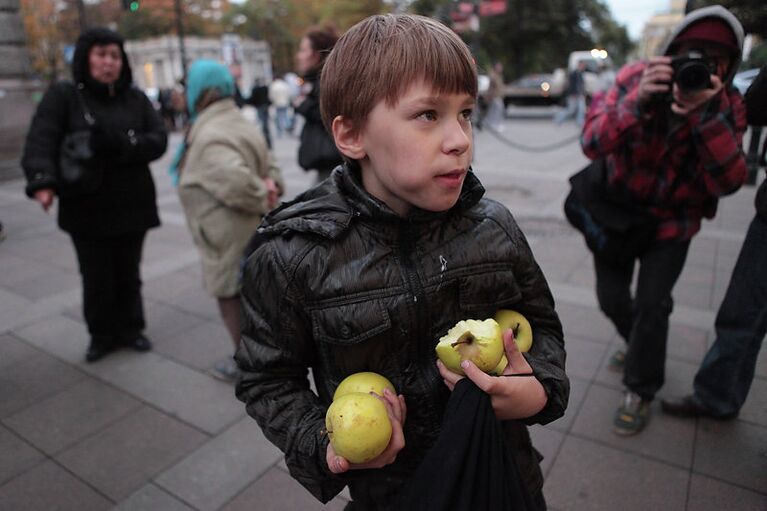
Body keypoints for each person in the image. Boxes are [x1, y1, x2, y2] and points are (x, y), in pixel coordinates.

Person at [235, 14, 568, 509]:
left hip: (502, 477)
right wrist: (327, 447)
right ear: (351, 136)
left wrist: (538, 390)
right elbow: (267, 378)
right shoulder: (294, 255)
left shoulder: (494, 228)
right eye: (428, 115)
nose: (459, 139)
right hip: (391, 497)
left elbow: (540, 325)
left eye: (466, 113)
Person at [580, 5, 747, 435]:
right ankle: (638, 344)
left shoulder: (727, 106)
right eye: (690, 56)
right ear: (669, 56)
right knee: (611, 297)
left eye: (712, 63)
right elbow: (591, 140)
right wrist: (637, 102)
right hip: (616, 211)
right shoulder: (636, 78)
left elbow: (730, 181)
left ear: (726, 70)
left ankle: (641, 387)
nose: (696, 69)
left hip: (673, 223)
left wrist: (704, 117)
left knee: (654, 306)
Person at [21, 27, 167, 363]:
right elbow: (42, 138)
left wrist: (124, 144)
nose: (108, 63)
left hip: (132, 205)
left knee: (128, 272)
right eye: (101, 55)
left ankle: (131, 328)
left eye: (115, 56)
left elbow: (157, 139)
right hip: (86, 206)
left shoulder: (135, 98)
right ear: (86, 58)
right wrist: (42, 180)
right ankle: (101, 334)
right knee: (96, 276)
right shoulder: (65, 96)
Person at [661, 64, 767, 420]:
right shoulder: (646, 81)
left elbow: (730, 179)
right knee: (742, 314)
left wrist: (710, 113)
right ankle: (716, 396)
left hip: (681, 222)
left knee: (742, 314)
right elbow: (759, 104)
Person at [172, 60, 284, 381]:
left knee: (233, 296)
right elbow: (270, 166)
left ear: (200, 90)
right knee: (251, 294)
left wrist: (263, 193)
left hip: (226, 234)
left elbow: (237, 182)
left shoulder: (210, 131)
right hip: (239, 230)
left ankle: (248, 365)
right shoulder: (237, 120)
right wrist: (270, 188)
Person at [294, 25, 343, 183]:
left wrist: (303, 105)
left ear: (316, 55)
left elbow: (330, 114)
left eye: (303, 50)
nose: (299, 56)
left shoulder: (326, 81)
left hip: (333, 161)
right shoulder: (320, 79)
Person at [554, 60, 587, 126]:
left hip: (579, 95)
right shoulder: (574, 74)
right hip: (573, 95)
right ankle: (558, 118)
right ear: (579, 65)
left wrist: (583, 93)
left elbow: (581, 85)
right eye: (583, 65)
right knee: (570, 110)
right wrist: (573, 94)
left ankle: (580, 122)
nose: (584, 67)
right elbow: (571, 85)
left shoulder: (580, 74)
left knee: (581, 109)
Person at [247, 79, 272, 149]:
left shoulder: (256, 89)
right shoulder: (265, 88)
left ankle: (264, 140)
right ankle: (267, 141)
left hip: (260, 107)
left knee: (262, 123)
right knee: (265, 124)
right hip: (265, 106)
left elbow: (252, 98)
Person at [482, 61, 506, 132]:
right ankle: (494, 124)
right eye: (499, 66)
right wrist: (488, 96)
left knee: (495, 110)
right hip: (495, 96)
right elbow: (491, 87)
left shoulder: (498, 75)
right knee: (497, 110)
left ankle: (491, 123)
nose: (501, 68)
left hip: (498, 96)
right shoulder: (493, 75)